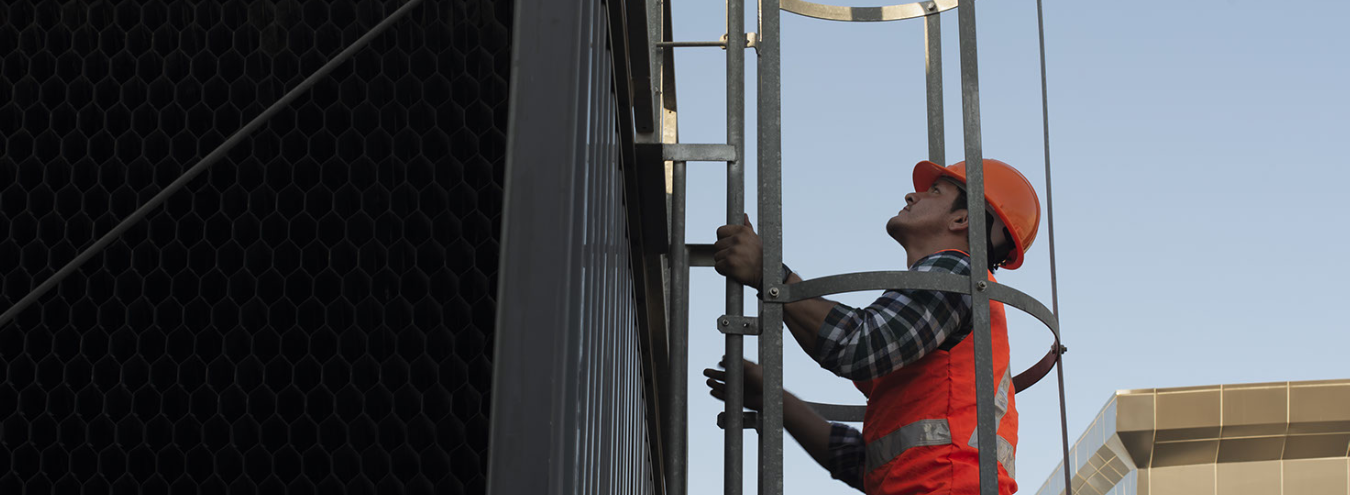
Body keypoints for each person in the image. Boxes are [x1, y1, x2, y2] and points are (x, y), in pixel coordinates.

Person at [705, 159, 1041, 494]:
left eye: (934, 191)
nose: (912, 196)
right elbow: (865, 464)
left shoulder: (956, 273)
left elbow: (857, 345)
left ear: (961, 218)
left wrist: (769, 274)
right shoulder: (937, 324)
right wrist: (773, 399)